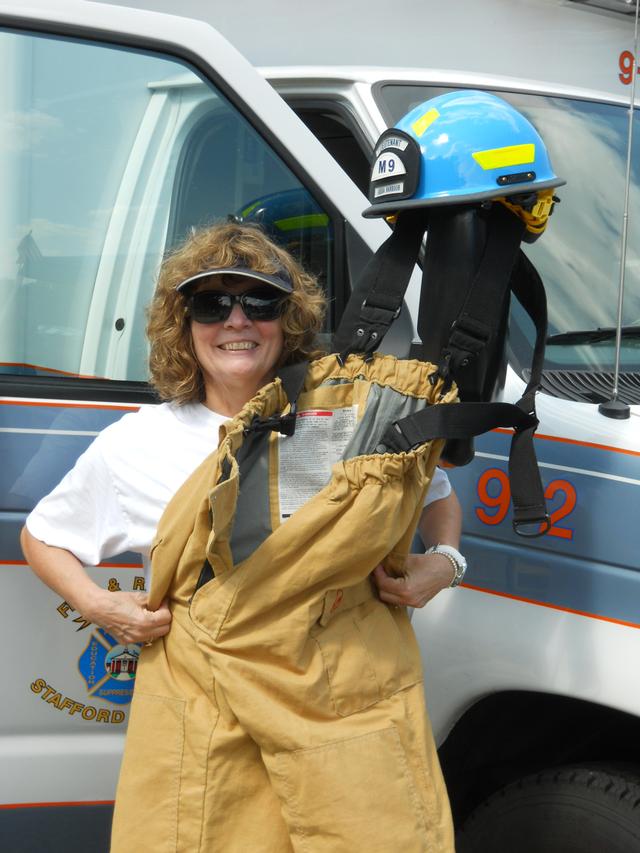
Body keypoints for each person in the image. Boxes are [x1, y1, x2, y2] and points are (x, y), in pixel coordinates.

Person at [21, 221, 462, 851]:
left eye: (260, 303)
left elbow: (438, 495)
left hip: (340, 716)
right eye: (212, 303)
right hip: (209, 720)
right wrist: (98, 605)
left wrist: (444, 563)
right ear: (184, 324)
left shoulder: (345, 420)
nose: (237, 321)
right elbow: (43, 535)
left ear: (289, 321)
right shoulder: (135, 442)